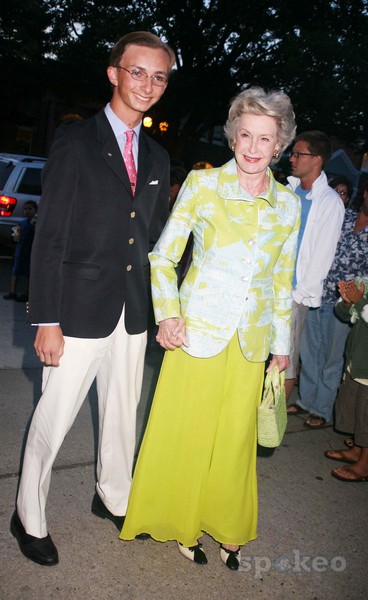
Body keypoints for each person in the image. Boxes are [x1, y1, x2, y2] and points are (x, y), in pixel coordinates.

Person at [10, 31, 176, 566]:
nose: (147, 85)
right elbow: (51, 234)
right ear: (113, 73)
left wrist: (167, 309)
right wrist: (47, 318)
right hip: (77, 311)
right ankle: (27, 516)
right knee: (53, 417)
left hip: (131, 312)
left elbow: (151, 240)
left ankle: (114, 496)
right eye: (137, 72)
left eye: (159, 76)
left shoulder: (157, 156)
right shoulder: (76, 142)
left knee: (123, 416)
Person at [120, 86, 300, 570]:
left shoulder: (289, 206)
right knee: (190, 432)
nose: (253, 147)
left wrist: (282, 347)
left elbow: (284, 280)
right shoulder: (203, 188)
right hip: (196, 331)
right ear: (232, 136)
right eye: (245, 134)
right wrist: (170, 314)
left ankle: (226, 524)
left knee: (235, 440)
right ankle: (182, 521)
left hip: (251, 341)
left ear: (279, 144)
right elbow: (163, 256)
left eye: (265, 138)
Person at [295, 178, 368, 427]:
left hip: (345, 304)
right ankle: (305, 400)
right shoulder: (344, 216)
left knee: (332, 358)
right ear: (365, 193)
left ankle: (321, 409)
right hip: (317, 291)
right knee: (309, 350)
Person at [285, 131, 345, 408]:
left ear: (317, 160)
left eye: (299, 154)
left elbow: (323, 255)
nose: (292, 158)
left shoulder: (330, 201)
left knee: (284, 359)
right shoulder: (288, 190)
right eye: (293, 153)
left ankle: (270, 421)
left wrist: (301, 296)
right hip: (269, 286)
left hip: (295, 293)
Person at [324, 277, 368, 482]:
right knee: (356, 408)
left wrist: (359, 301)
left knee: (366, 415)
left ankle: (365, 464)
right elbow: (348, 316)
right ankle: (358, 450)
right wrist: (348, 302)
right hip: (358, 359)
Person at [3, 200, 37, 302]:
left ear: (35, 211)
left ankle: (27, 293)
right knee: (15, 271)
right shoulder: (21, 223)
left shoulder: (35, 224)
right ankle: (12, 292)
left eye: (30, 209)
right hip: (20, 251)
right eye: (25, 209)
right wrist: (15, 235)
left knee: (28, 273)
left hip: (29, 252)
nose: (27, 211)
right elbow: (15, 236)